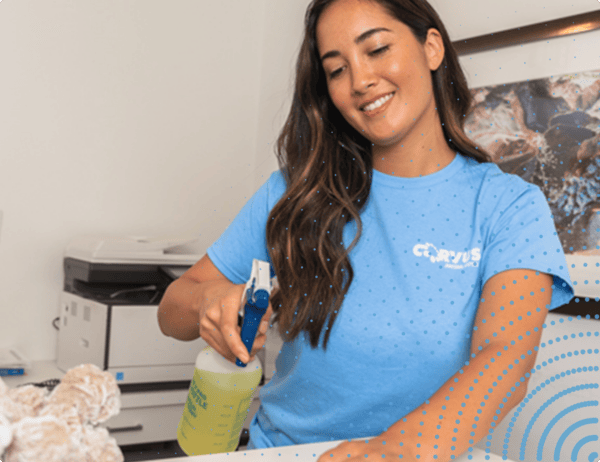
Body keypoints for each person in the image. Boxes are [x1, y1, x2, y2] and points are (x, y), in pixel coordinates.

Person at [158, 0, 575, 460]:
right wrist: (207, 301)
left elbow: (504, 360)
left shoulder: (509, 207)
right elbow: (173, 308)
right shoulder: (295, 191)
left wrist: (390, 452)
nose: (359, 81)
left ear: (431, 47)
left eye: (376, 49)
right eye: (336, 70)